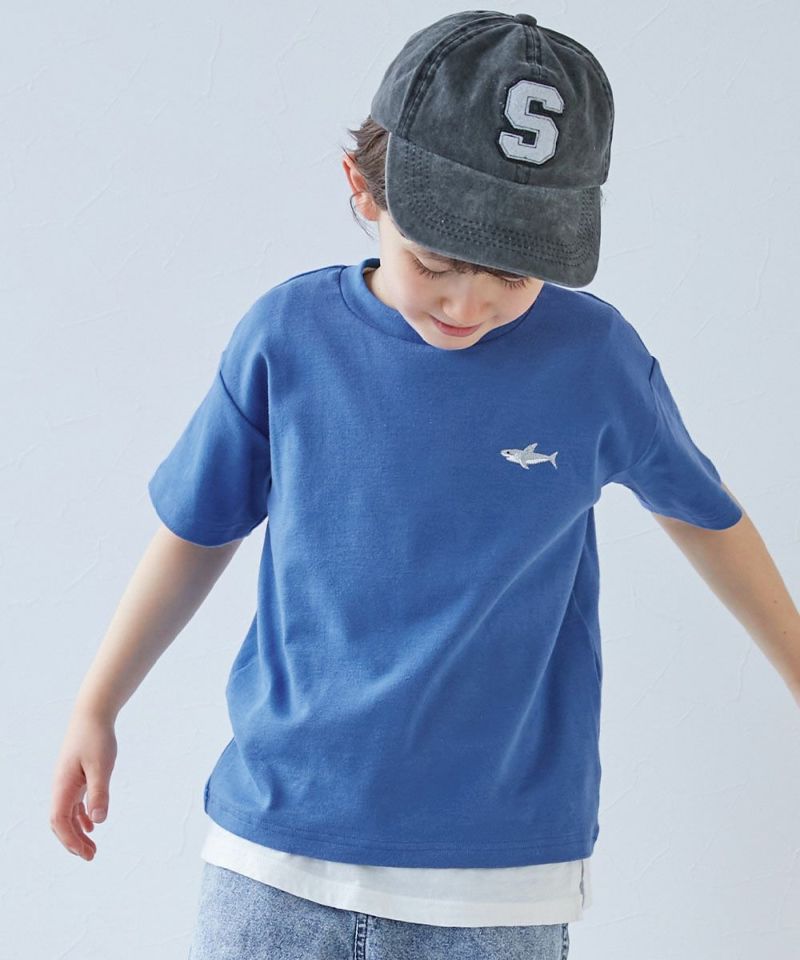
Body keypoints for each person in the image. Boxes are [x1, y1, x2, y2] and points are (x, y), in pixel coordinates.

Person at [49, 9, 799, 960]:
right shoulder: (287, 338)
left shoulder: (595, 360)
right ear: (363, 188)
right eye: (434, 261)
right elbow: (197, 532)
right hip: (273, 856)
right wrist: (97, 703)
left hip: (495, 887)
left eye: (512, 278)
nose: (466, 302)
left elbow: (708, 517)